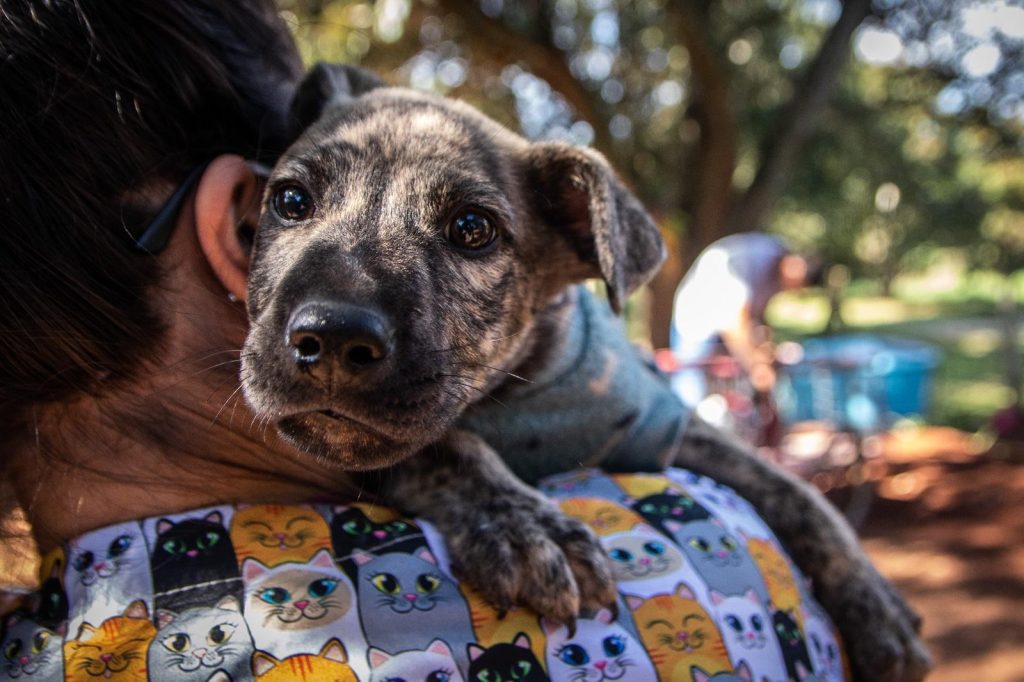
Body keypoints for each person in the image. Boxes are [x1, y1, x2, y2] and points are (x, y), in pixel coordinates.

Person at [0, 3, 926, 681]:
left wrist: (844, 568)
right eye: (296, 201)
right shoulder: (711, 561)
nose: (335, 320)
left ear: (573, 249)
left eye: (470, 233)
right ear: (234, 219)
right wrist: (461, 471)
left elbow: (684, 434)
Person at [669, 233, 819, 409]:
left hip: (722, 325)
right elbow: (735, 326)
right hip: (697, 321)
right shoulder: (746, 261)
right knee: (690, 383)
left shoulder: (775, 267)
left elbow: (757, 315)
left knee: (736, 392)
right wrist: (756, 366)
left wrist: (762, 347)